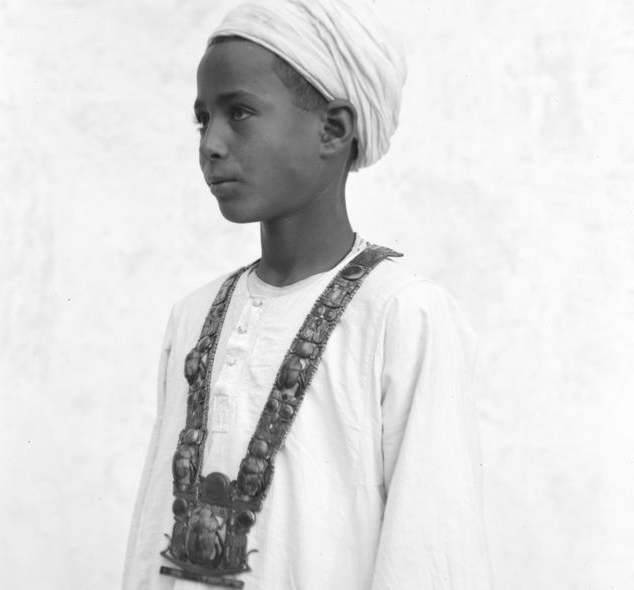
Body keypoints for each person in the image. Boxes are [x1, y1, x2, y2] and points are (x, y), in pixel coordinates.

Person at [123, 0, 493, 588]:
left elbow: (431, 551)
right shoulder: (192, 317)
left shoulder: (402, 316)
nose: (211, 143)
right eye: (203, 119)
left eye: (239, 112)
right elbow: (152, 534)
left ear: (334, 129)